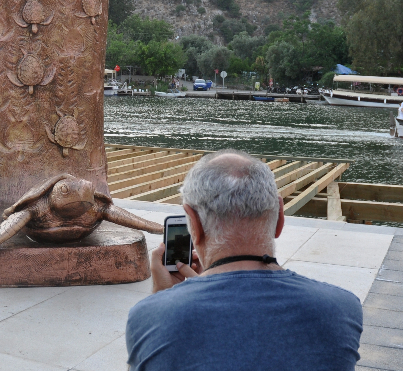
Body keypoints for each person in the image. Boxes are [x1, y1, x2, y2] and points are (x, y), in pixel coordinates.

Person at [125, 149, 362, 371]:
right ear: (280, 217)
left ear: (194, 226)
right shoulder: (343, 309)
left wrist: (163, 300)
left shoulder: (148, 317)